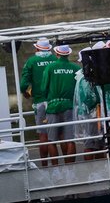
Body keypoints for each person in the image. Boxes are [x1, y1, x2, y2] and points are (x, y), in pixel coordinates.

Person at [20, 37, 57, 167]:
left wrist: (26, 93)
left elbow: (23, 84)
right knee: (57, 136)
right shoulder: (54, 59)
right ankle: (58, 168)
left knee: (43, 135)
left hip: (40, 102)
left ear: (37, 48)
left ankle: (45, 166)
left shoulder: (32, 61)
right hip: (55, 102)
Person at [42, 45, 79, 165]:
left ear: (57, 54)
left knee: (52, 140)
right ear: (68, 54)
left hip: (53, 106)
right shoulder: (75, 68)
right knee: (70, 140)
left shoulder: (50, 67)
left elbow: (43, 88)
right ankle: (70, 170)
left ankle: (56, 170)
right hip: (69, 106)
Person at [73, 47, 104, 160]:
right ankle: (92, 170)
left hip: (91, 113)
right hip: (91, 114)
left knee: (99, 144)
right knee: (91, 144)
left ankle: (99, 169)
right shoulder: (86, 77)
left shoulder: (84, 75)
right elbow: (88, 98)